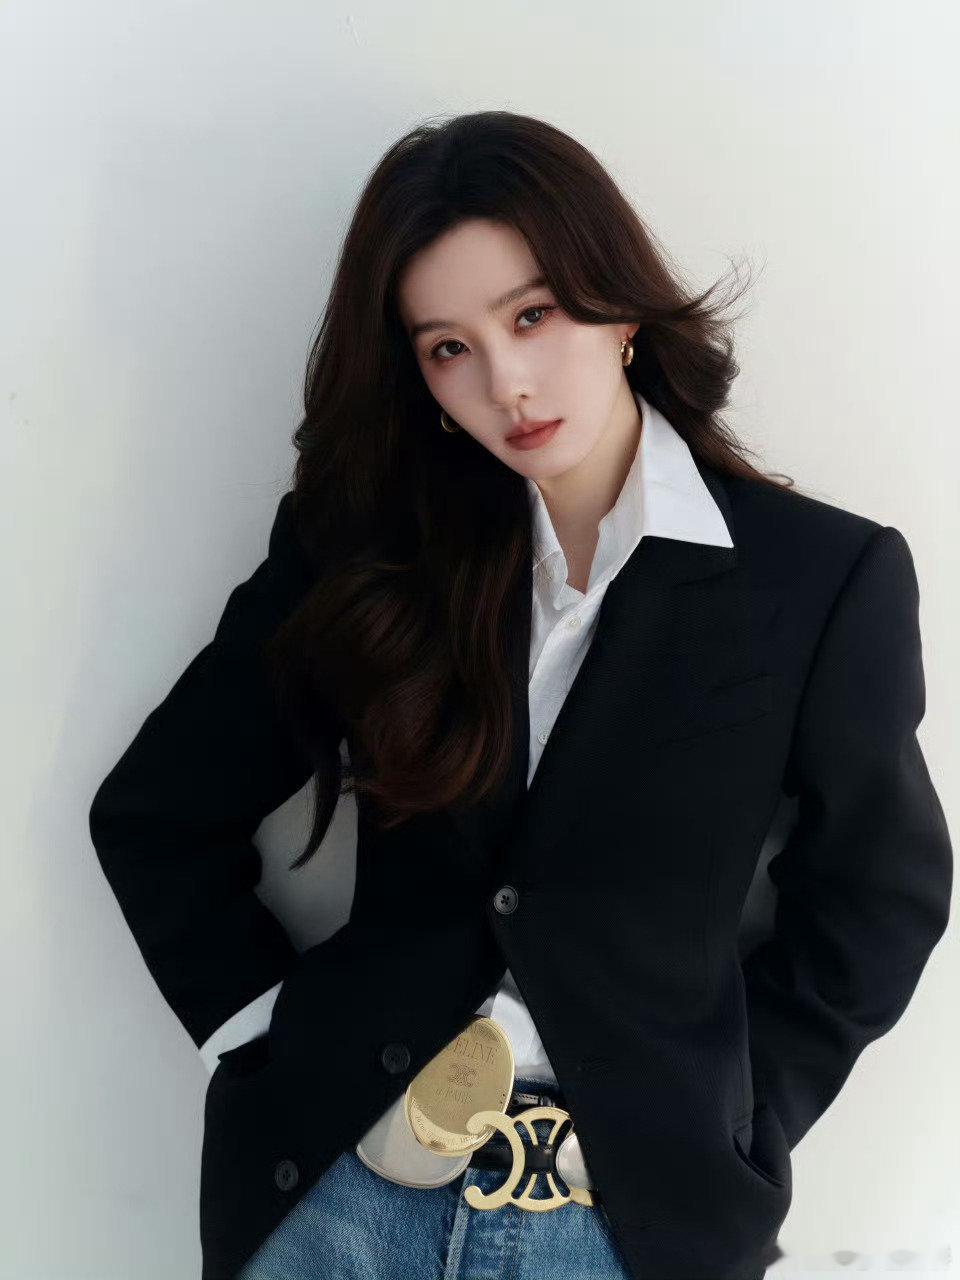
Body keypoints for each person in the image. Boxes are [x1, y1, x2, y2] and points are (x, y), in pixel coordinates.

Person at [87, 111, 953, 1280]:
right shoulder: (365, 547)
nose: (506, 382)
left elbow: (881, 896)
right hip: (338, 1204)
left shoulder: (818, 578)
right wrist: (263, 1043)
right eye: (448, 347)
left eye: (532, 316)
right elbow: (155, 812)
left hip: (622, 1229)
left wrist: (739, 1111)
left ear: (621, 308)